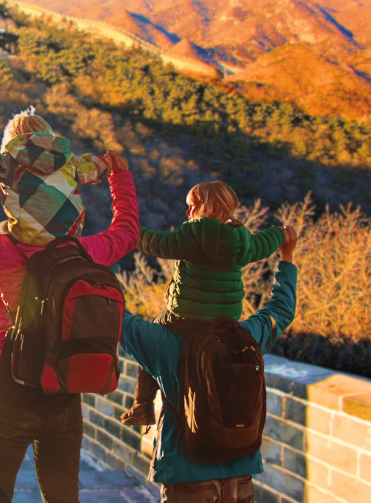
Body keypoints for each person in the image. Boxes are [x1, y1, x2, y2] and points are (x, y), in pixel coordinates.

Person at [0, 127, 139, 503]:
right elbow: (127, 232)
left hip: (10, 392)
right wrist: (120, 178)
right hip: (64, 393)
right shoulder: (86, 253)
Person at [119, 226, 298, 503]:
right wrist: (287, 257)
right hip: (240, 476)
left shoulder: (161, 341)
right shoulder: (245, 337)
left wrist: (104, 254)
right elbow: (282, 309)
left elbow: (111, 313)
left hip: (186, 476)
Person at [120, 182, 285, 426]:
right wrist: (281, 233)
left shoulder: (193, 235)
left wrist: (127, 230)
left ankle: (142, 405)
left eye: (193, 206)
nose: (188, 212)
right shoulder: (243, 240)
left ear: (213, 207)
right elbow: (265, 243)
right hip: (225, 321)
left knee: (150, 341)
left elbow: (155, 242)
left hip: (185, 319)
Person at [0, 107, 111, 245]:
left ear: (13, 138)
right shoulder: (69, 160)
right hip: (70, 235)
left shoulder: (9, 162)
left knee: (0, 231)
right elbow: (96, 168)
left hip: (28, 237)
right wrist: (109, 162)